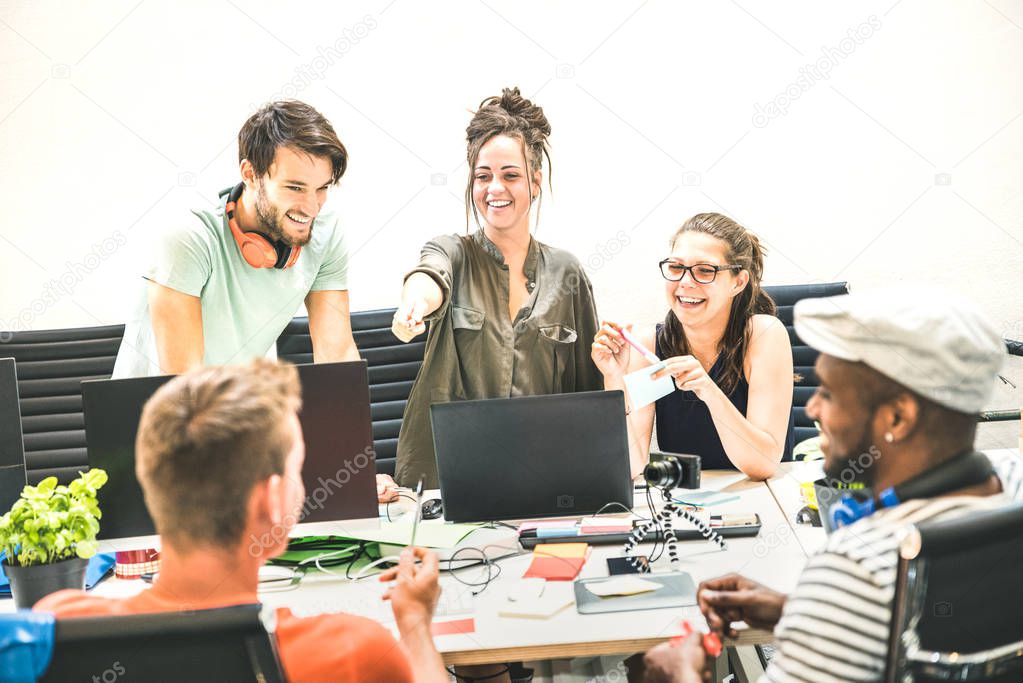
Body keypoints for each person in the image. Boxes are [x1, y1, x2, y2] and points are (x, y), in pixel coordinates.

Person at [640, 287, 1023, 682]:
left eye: (830, 392)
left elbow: (866, 587)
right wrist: (808, 612)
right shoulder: (1014, 484)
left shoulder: (856, 564)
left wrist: (681, 675)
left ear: (897, 418)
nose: (813, 408)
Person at [36, 359, 448, 683]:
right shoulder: (350, 652)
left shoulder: (60, 628)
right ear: (270, 499)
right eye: (297, 471)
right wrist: (414, 623)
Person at [111, 100, 396, 501]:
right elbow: (184, 385)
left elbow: (336, 351)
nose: (310, 207)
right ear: (250, 173)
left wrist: (351, 468)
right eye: (295, 188)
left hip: (230, 428)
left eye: (322, 189)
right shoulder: (188, 238)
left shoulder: (325, 234)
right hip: (152, 435)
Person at [391, 86, 602, 489]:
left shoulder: (567, 272)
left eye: (510, 176)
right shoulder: (451, 251)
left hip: (546, 476)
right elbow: (428, 276)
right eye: (483, 176)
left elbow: (589, 391)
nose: (495, 188)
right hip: (450, 478)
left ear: (535, 182)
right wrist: (414, 305)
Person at [591, 213, 794, 479]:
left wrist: (709, 391)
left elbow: (764, 465)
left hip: (768, 498)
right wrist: (614, 379)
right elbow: (631, 464)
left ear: (738, 282)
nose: (686, 282)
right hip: (691, 501)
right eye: (676, 268)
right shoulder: (647, 345)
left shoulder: (763, 335)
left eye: (705, 270)